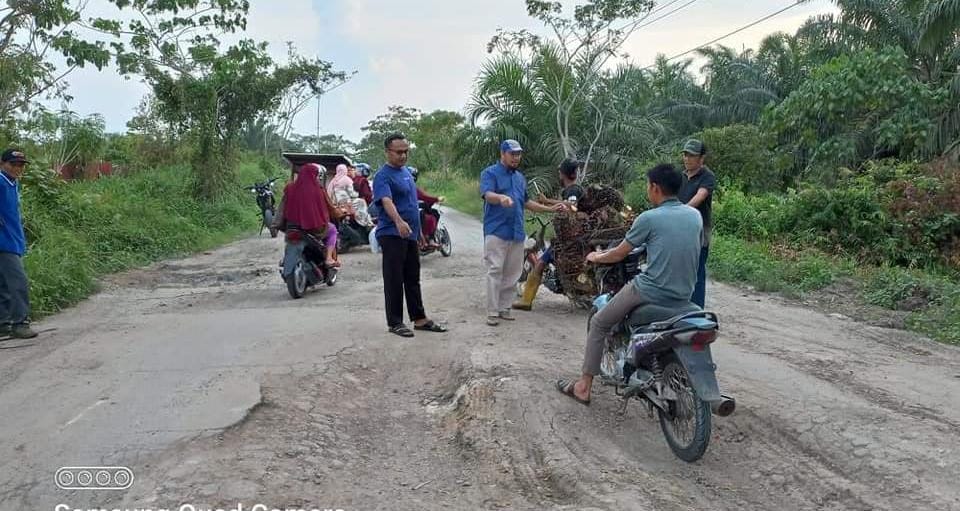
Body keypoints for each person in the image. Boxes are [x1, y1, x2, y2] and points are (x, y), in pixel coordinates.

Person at [556, 163, 702, 405]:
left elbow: (619, 253)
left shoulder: (649, 218)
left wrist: (596, 257)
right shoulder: (694, 216)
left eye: (648, 185)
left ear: (655, 188)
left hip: (650, 291)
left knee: (599, 322)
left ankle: (583, 387)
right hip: (684, 293)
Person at [480, 139, 563, 326]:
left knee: (513, 272)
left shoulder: (519, 178)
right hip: (496, 230)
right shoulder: (490, 173)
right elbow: (487, 194)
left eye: (518, 154)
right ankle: (492, 311)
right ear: (502, 154)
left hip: (516, 231)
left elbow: (526, 202)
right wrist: (500, 198)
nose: (516, 157)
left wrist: (550, 209)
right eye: (512, 154)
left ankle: (505, 308)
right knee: (495, 269)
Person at [372, 133, 447, 338]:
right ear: (388, 152)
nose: (403, 156)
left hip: (410, 234)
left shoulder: (405, 172)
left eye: (406, 151)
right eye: (399, 152)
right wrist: (398, 221)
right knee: (394, 279)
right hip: (392, 233)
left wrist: (419, 231)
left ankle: (419, 318)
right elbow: (386, 201)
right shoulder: (383, 176)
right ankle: (395, 322)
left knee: (413, 277)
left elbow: (413, 204)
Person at [513, 158, 584, 310]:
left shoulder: (573, 190)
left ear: (563, 174)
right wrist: (548, 204)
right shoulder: (574, 190)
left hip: (568, 239)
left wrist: (548, 201)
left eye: (560, 172)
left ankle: (526, 301)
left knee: (539, 264)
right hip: (575, 237)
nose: (559, 175)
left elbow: (572, 206)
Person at [0, 149, 37, 339]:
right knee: (18, 282)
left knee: (4, 285)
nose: (17, 168)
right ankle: (20, 323)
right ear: (2, 164)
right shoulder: (0, 181)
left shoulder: (13, 183)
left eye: (21, 165)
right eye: (13, 164)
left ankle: (4, 323)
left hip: (12, 239)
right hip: (4, 242)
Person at [275, 163, 340, 267]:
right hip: (313, 228)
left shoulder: (289, 188)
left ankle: (286, 258)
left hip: (292, 226)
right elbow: (331, 209)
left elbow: (282, 207)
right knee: (332, 230)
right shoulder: (318, 190)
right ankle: (328, 258)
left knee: (290, 240)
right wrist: (339, 212)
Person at [677, 139, 716, 309]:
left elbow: (700, 197)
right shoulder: (680, 177)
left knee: (697, 272)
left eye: (692, 155)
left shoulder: (707, 176)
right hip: (679, 228)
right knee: (679, 270)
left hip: (699, 231)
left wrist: (678, 212)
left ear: (701, 158)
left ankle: (697, 311)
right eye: (685, 155)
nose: (687, 158)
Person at [408, 167, 445, 250]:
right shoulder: (413, 188)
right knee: (435, 213)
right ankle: (430, 238)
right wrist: (437, 199)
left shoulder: (400, 186)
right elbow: (425, 197)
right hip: (413, 211)